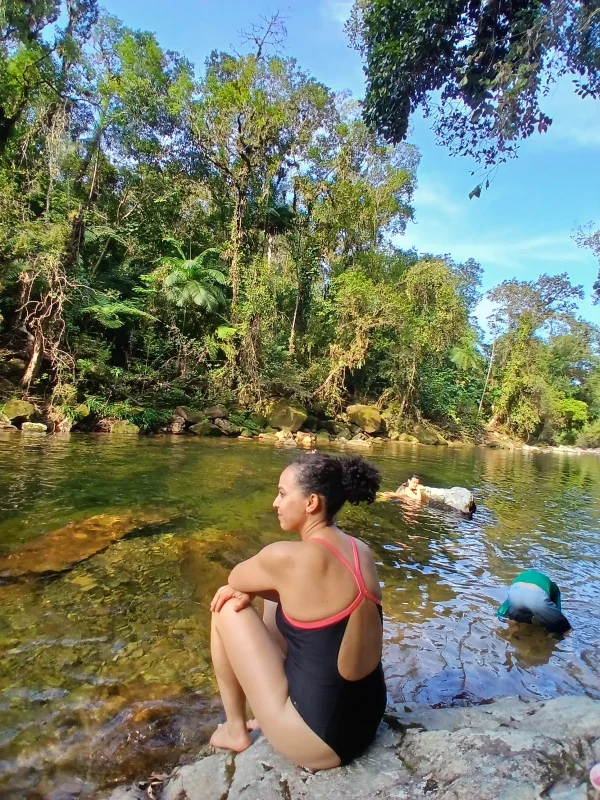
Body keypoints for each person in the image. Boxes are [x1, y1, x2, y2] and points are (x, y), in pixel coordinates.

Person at [209, 452, 386, 770]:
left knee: (225, 607)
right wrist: (255, 588)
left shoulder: (285, 558)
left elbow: (235, 578)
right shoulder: (361, 550)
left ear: (311, 503)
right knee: (274, 594)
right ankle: (274, 708)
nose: (275, 503)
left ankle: (235, 730)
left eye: (282, 493)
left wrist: (245, 588)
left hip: (321, 744)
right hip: (368, 721)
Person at [497, 569, 571, 634]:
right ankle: (564, 643)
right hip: (536, 596)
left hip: (515, 593)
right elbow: (557, 611)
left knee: (514, 619)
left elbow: (505, 606)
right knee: (564, 628)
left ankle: (510, 635)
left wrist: (499, 615)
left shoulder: (522, 578)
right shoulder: (554, 588)